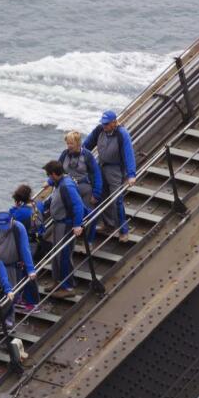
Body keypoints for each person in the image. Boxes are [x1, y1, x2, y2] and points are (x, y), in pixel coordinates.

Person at [83, 110, 135, 242]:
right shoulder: (99, 130)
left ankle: (124, 230)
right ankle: (108, 224)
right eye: (103, 123)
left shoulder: (122, 134)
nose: (104, 126)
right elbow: (86, 145)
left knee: (117, 200)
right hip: (101, 167)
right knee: (101, 196)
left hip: (116, 170)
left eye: (107, 124)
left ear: (114, 122)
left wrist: (131, 174)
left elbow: (129, 155)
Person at [38, 161, 86, 293]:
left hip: (66, 225)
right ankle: (58, 281)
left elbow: (78, 206)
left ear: (54, 174)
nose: (48, 177)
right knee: (56, 254)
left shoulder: (67, 186)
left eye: (49, 174)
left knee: (64, 255)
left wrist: (77, 225)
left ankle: (67, 286)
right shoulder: (59, 183)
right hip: (58, 223)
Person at [9, 184, 43, 311]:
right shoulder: (37, 205)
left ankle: (31, 302)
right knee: (29, 270)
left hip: (27, 244)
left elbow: (9, 219)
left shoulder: (21, 212)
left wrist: (14, 209)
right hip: (37, 241)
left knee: (26, 272)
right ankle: (28, 299)